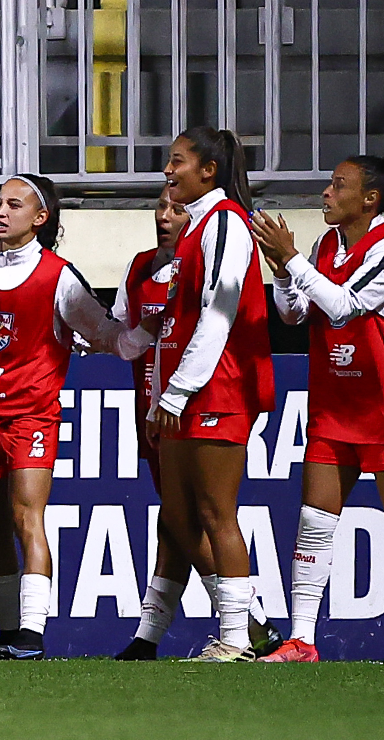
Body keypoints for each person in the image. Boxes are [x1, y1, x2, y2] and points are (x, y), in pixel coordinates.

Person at [252, 150, 384, 665]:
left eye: (338, 184)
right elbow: (295, 313)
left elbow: (345, 307)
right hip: (335, 404)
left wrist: (295, 261)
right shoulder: (328, 244)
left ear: (370, 199)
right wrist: (284, 272)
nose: (327, 192)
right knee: (314, 521)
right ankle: (301, 641)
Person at [0, 174, 157, 660]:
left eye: (14, 204)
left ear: (40, 217)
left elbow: (109, 333)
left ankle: (31, 632)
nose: (0, 212)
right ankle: (8, 632)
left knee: (28, 516)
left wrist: (151, 333)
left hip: (32, 415)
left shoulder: (58, 276)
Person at [114, 188, 282, 661]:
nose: (165, 217)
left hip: (198, 398)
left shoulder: (214, 243)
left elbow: (217, 320)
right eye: (159, 207)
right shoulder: (143, 268)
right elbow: (128, 339)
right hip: (159, 409)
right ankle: (156, 636)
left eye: (176, 208)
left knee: (202, 516)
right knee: (177, 520)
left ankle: (247, 625)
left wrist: (175, 391)